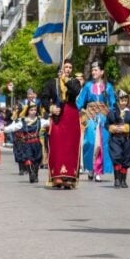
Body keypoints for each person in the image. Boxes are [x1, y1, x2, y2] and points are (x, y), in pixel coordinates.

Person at [44, 59, 83, 189]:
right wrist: (50, 108)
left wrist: (66, 80)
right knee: (57, 145)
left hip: (71, 116)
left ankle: (69, 177)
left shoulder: (74, 82)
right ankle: (57, 176)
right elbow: (43, 97)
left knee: (70, 146)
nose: (68, 69)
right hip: (58, 117)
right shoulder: (52, 83)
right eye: (66, 67)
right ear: (61, 68)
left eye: (70, 67)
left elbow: (76, 91)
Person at [76, 61, 117, 182]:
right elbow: (80, 102)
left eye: (96, 70)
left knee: (101, 144)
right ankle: (90, 168)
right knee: (89, 142)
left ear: (102, 72)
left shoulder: (108, 86)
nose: (93, 72)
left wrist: (112, 115)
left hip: (103, 118)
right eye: (92, 70)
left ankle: (98, 170)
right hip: (91, 117)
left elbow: (113, 103)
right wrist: (74, 110)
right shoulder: (88, 86)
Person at [107, 90, 130, 188]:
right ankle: (116, 179)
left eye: (125, 100)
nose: (123, 102)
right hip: (115, 138)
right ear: (117, 100)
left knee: (126, 159)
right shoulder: (112, 112)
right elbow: (106, 124)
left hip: (126, 139)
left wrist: (127, 128)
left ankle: (123, 180)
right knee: (116, 157)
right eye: (121, 100)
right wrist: (112, 128)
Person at [12, 103, 48, 183]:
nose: (33, 112)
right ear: (28, 111)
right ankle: (31, 173)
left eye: (35, 110)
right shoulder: (23, 121)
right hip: (27, 143)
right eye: (31, 110)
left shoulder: (40, 120)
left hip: (37, 143)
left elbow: (49, 123)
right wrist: (3, 127)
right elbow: (13, 127)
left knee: (37, 160)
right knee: (28, 158)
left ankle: (35, 174)